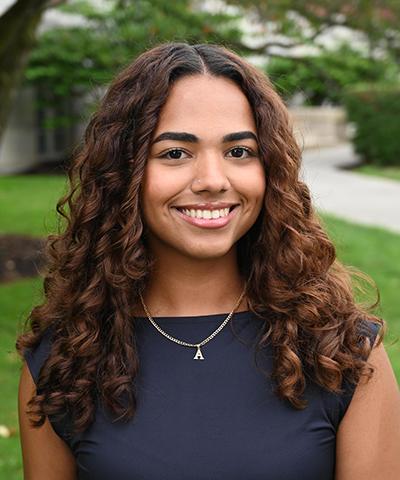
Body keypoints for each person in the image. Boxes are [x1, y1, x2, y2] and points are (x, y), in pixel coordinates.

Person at [17, 42, 400, 480]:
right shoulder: (63, 361)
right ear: (123, 174)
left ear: (269, 169)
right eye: (175, 153)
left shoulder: (344, 353)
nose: (213, 181)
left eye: (239, 151)